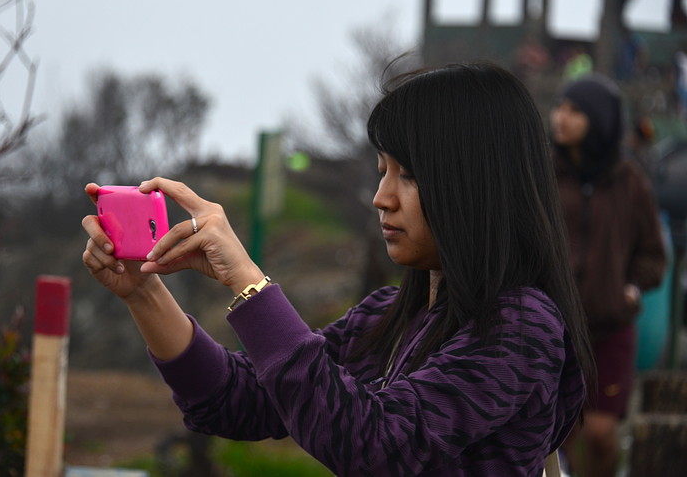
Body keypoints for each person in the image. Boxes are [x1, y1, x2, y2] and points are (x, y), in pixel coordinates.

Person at [82, 62, 594, 476]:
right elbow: (239, 400)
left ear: (476, 184)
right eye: (382, 171)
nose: (381, 198)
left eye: (409, 175)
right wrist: (144, 292)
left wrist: (250, 284)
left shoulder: (519, 327)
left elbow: (376, 448)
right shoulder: (388, 316)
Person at [549, 74, 667, 477]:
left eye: (574, 111)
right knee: (562, 432)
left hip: (610, 328)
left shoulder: (629, 181)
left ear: (598, 119)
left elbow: (653, 254)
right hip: (554, 327)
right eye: (559, 107)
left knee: (599, 433)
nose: (560, 118)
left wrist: (628, 290)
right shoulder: (543, 173)